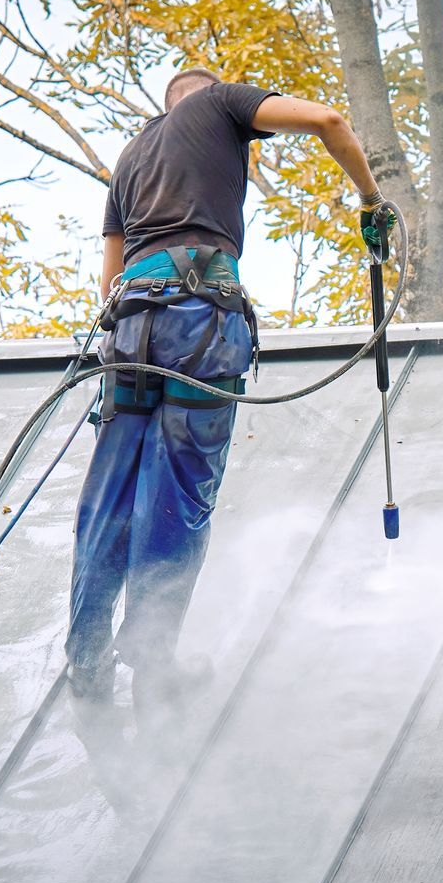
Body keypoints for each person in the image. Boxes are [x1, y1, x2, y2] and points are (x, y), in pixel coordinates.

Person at [67, 67, 395, 708]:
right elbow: (329, 122)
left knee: (111, 490)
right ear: (214, 99)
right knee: (181, 486)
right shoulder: (220, 102)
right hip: (199, 319)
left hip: (129, 330)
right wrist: (369, 200)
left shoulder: (131, 156)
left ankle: (85, 657)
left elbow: (108, 279)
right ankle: (153, 655)